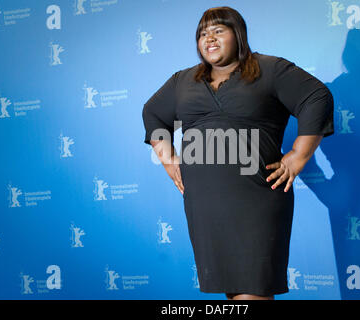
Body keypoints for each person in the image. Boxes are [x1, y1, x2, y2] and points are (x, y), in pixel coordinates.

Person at [142, 6, 334, 300]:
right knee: (234, 294)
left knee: (253, 290)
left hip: (256, 198)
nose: (210, 38)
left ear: (238, 35)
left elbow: (316, 97)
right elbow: (153, 113)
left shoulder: (269, 69)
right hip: (205, 205)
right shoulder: (183, 80)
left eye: (219, 30)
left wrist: (299, 155)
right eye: (203, 33)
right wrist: (169, 161)